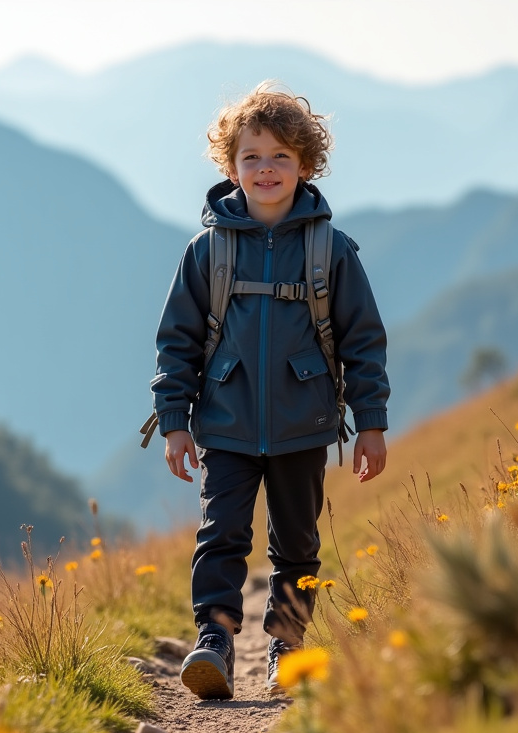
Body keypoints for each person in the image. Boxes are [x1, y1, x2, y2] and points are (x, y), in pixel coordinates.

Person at [147, 83, 390, 699]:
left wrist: (372, 422)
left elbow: (363, 340)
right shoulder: (207, 251)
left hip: (304, 423)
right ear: (230, 167)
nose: (266, 168)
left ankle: (287, 648)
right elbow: (176, 341)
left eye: (281, 156)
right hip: (225, 422)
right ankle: (216, 643)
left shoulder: (330, 251)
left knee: (298, 542)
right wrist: (174, 418)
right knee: (221, 534)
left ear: (306, 166)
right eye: (252, 157)